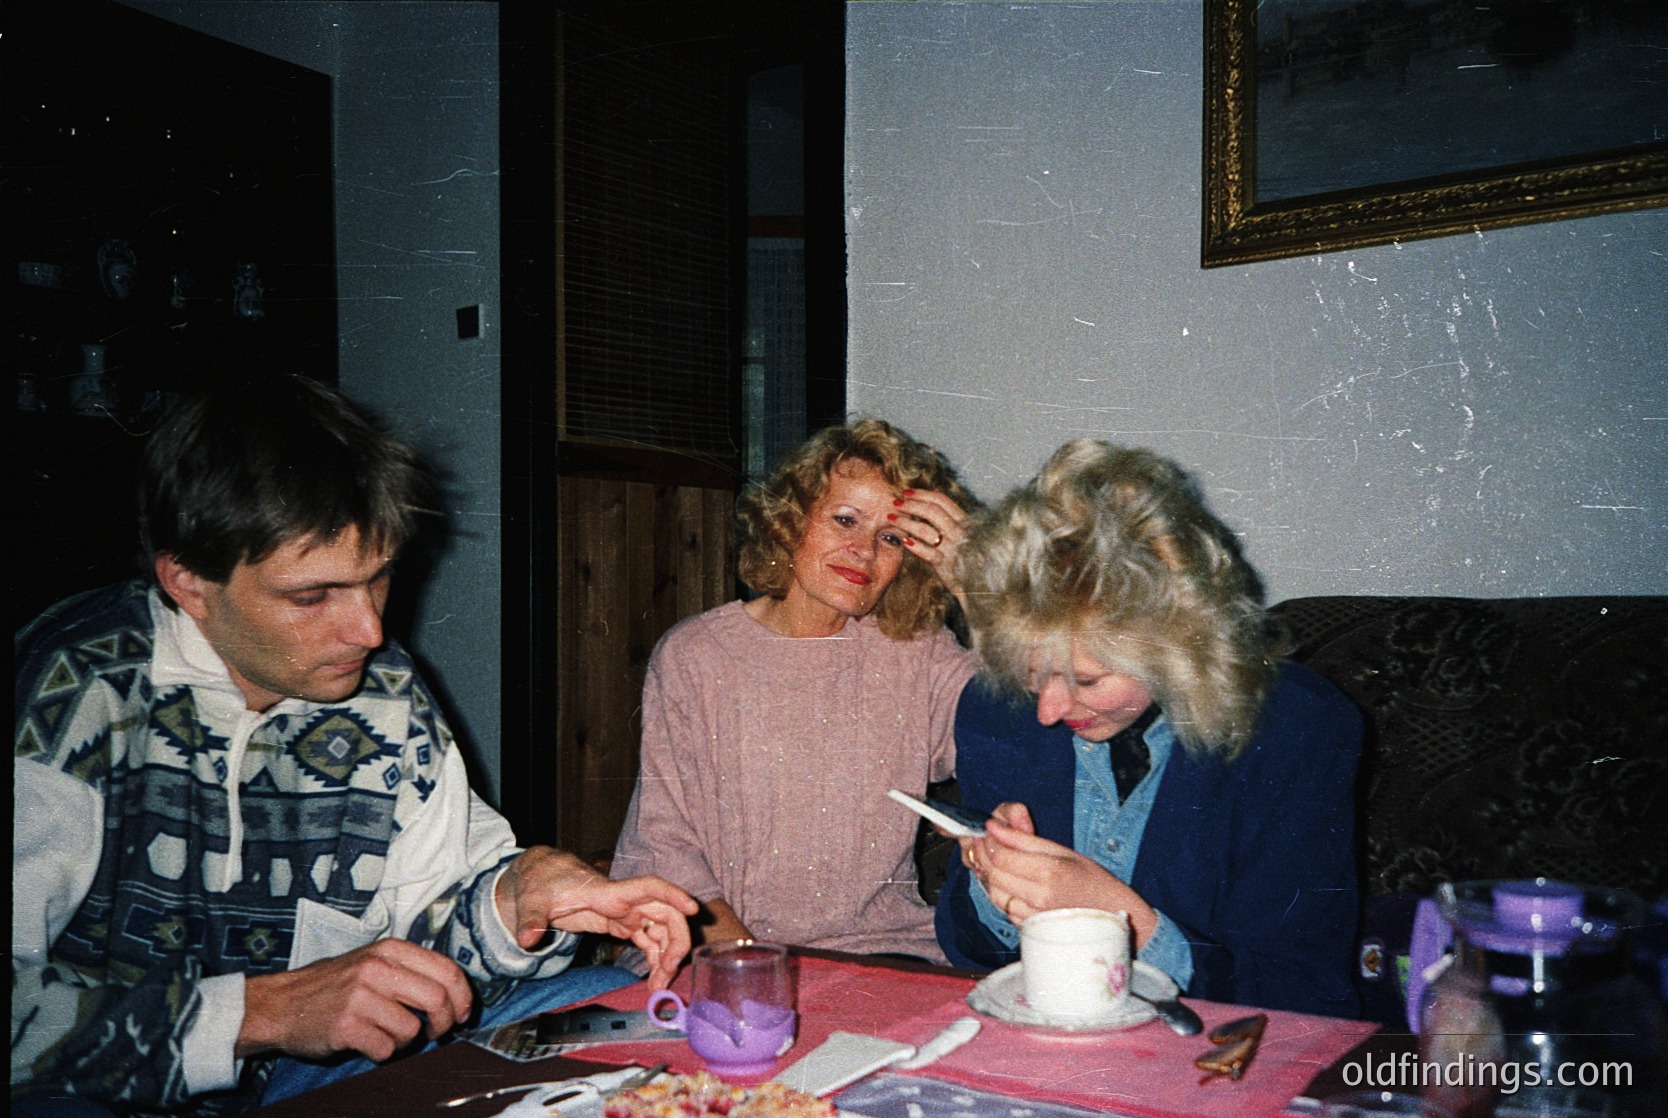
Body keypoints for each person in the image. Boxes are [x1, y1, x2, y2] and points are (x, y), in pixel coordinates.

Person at [13, 376, 699, 1118]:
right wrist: (259, 1015)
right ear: (188, 581)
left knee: (605, 1002)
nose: (369, 631)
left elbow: (437, 945)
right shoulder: (74, 686)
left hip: (308, 1081)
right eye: (313, 597)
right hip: (115, 1092)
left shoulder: (387, 693)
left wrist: (514, 903)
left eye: (379, 580)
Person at [934, 440, 1363, 1017]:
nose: (1049, 710)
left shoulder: (1296, 729)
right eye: (1033, 673)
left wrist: (1129, 923)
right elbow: (968, 951)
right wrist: (995, 889)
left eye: (1087, 680)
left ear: (1177, 646)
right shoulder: (997, 710)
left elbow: (1309, 994)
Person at [609, 419, 977, 961]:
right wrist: (750, 965)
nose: (863, 551)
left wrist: (977, 585)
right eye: (845, 519)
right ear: (790, 521)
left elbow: (1014, 736)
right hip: (716, 949)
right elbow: (665, 844)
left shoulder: (917, 650)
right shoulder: (696, 655)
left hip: (882, 952)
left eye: (891, 537)